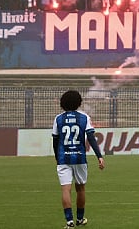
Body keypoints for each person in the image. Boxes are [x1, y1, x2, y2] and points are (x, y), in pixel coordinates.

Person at [53, 90, 105, 228]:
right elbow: (91, 138)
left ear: (62, 103)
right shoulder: (84, 117)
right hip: (80, 158)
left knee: (65, 189)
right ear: (78, 103)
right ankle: (80, 219)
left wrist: (57, 158)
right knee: (80, 189)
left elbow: (55, 140)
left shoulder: (58, 119)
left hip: (64, 158)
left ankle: (69, 222)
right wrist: (99, 156)